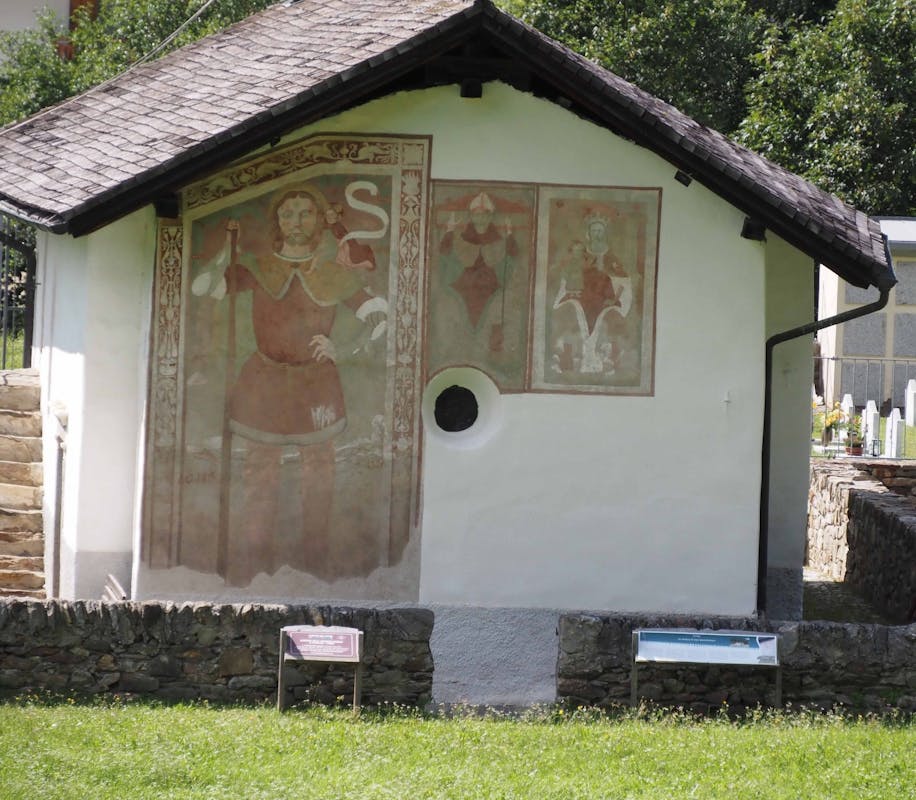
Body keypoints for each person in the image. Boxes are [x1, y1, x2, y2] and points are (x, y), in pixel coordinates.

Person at [193, 184, 387, 585]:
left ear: (318, 221)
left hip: (317, 383)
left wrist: (344, 347)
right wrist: (223, 255)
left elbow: (380, 316)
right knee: (260, 472)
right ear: (277, 221)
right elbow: (204, 289)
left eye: (305, 213)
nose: (296, 222)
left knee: (319, 473)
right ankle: (255, 563)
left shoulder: (335, 273)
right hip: (264, 382)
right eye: (288, 214)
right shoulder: (257, 265)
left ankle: (316, 562)